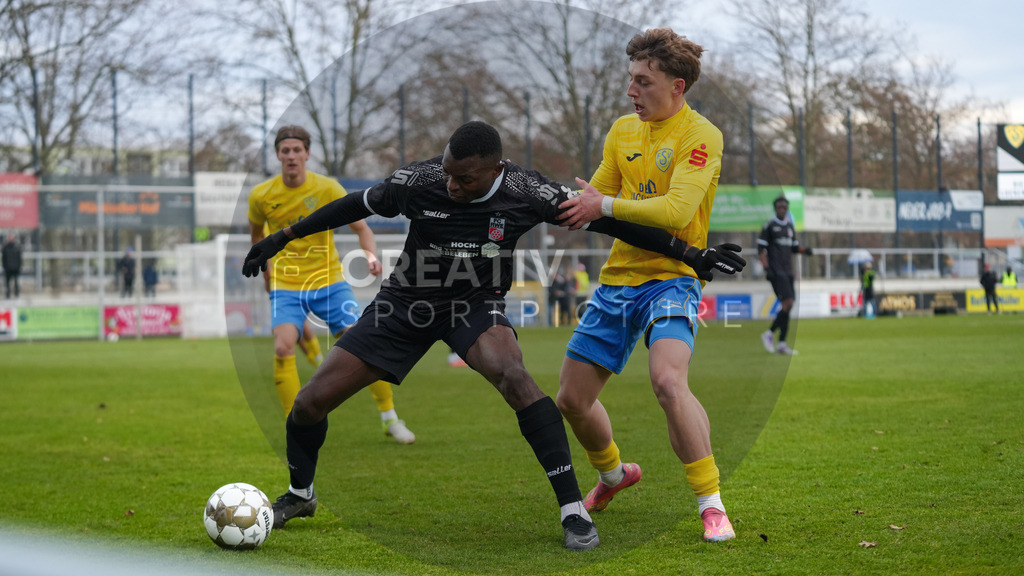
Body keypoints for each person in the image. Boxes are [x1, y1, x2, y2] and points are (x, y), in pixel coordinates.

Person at [241, 120, 741, 550]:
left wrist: (691, 254)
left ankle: (573, 510)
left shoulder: (526, 190)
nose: (451, 184)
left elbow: (608, 221)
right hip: (404, 305)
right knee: (308, 404)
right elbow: (353, 206)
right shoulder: (420, 179)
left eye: (464, 178)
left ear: (495, 169)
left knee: (516, 377)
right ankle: (301, 495)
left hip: (474, 307)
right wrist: (281, 238)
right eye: (448, 173)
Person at [553, 28, 747, 543]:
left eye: (643, 81)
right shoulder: (621, 131)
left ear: (677, 86)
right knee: (571, 400)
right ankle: (616, 474)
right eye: (630, 80)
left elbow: (677, 210)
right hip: (618, 281)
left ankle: (711, 503)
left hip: (673, 281)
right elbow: (595, 203)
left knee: (667, 381)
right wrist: (561, 203)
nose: (631, 91)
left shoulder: (700, 135)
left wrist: (603, 205)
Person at [248, 125, 415, 445]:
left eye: (297, 150)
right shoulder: (261, 195)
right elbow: (258, 237)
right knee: (283, 346)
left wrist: (370, 256)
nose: (291, 156)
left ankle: (390, 417)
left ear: (307, 154)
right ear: (278, 156)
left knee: (360, 343)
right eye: (285, 151)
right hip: (287, 283)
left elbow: (362, 228)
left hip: (329, 281)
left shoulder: (327, 188)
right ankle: (294, 429)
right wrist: (267, 273)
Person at [758, 195, 813, 355]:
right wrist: (767, 269)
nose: (782, 209)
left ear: (787, 209)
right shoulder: (769, 225)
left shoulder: (789, 226)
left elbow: (794, 247)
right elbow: (761, 249)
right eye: (779, 207)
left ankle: (781, 343)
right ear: (775, 208)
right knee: (788, 302)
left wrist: (806, 250)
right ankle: (768, 334)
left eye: (784, 207)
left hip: (789, 271)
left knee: (788, 305)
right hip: (777, 271)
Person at [2, 234, 22, 299]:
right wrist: (5, 267)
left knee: (16, 283)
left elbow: (19, 258)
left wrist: (19, 267)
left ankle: (16, 295)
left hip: (15, 268)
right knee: (7, 284)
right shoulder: (5, 247)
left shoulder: (17, 247)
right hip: (8, 269)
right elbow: (3, 259)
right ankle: (8, 296)